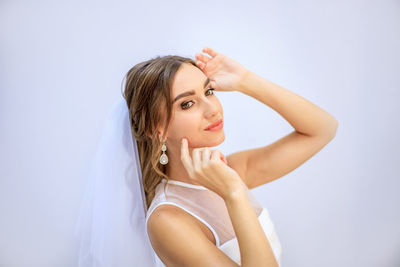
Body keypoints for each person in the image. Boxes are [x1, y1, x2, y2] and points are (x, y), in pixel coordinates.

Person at [76, 47, 338, 267]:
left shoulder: (231, 169)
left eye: (209, 91)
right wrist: (233, 192)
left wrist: (246, 80)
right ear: (156, 130)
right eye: (187, 103)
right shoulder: (168, 220)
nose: (212, 109)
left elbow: (322, 129)